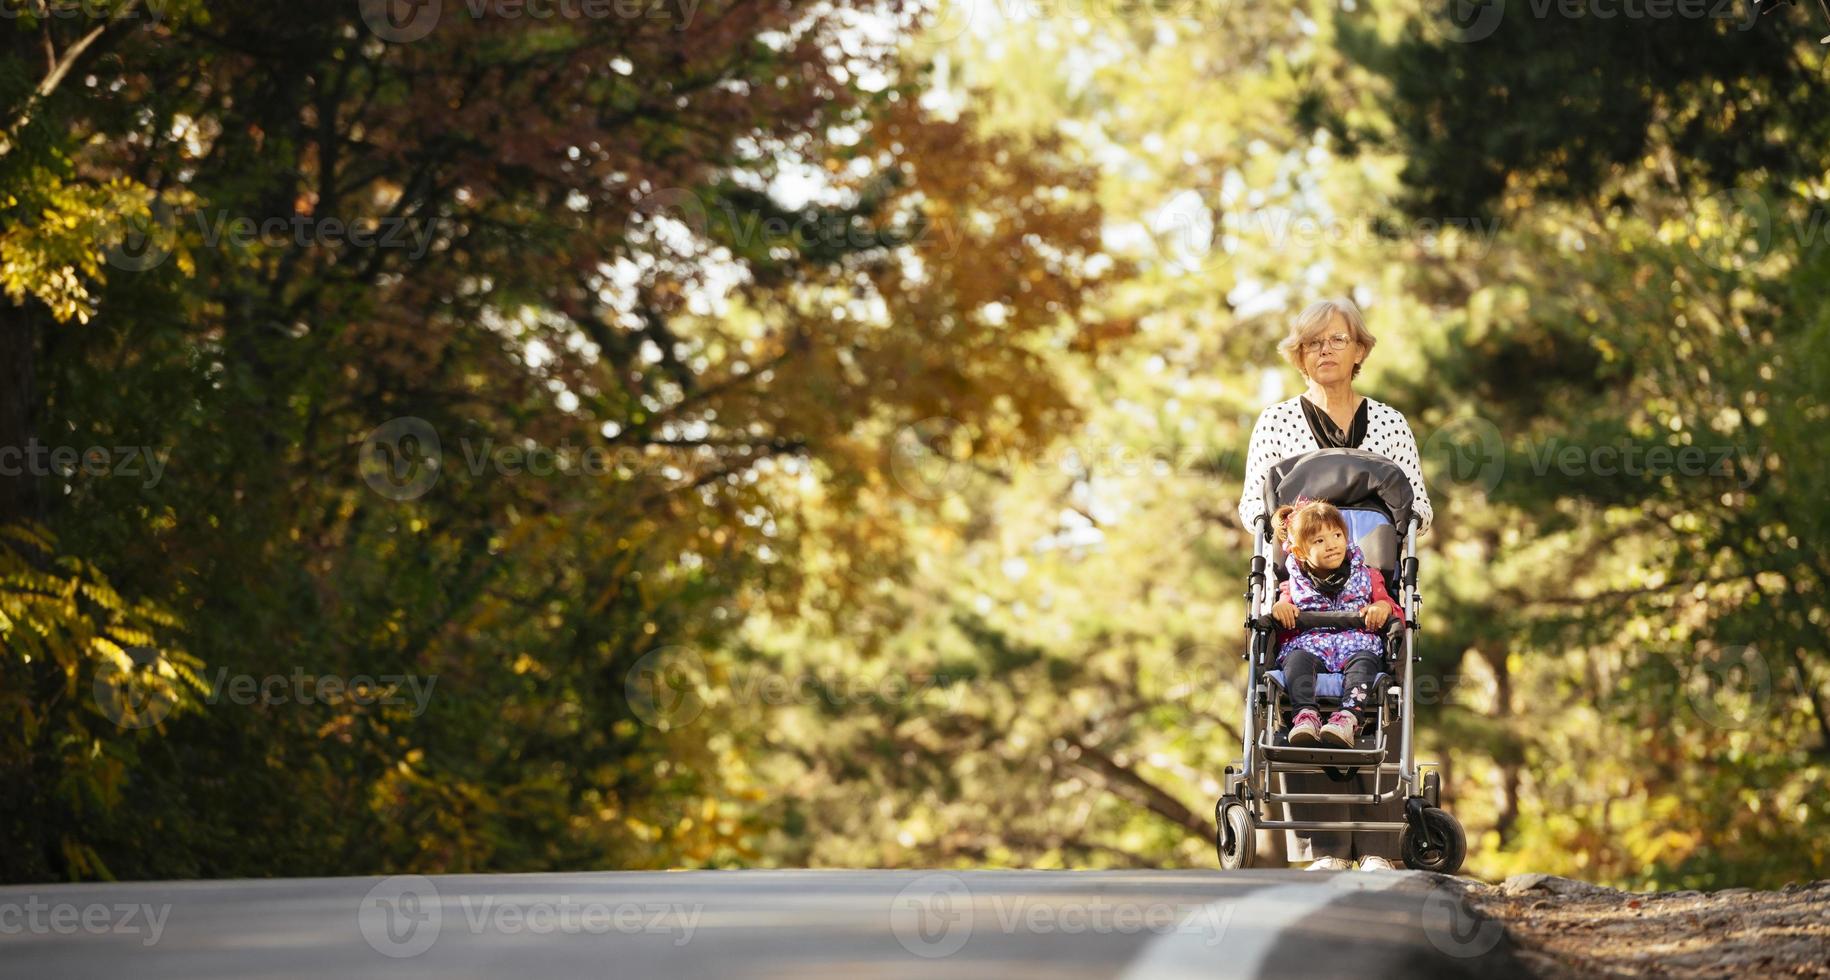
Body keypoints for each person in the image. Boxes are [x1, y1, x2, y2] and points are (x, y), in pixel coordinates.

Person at [1234, 296, 1433, 873]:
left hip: (1368, 589)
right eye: (1313, 342)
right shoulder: (1276, 424)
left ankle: (1379, 848)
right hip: (1299, 592)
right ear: (1299, 355)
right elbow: (1255, 510)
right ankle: (1321, 850)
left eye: (1337, 340)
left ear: (1360, 350)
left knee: (1379, 678)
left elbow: (1415, 508)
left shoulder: (1389, 424)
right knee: (1294, 687)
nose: (1325, 350)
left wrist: (1385, 591)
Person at [1269, 498, 1404, 750]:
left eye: (1337, 535)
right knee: (1296, 660)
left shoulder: (1368, 574)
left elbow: (1389, 604)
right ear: (1299, 552)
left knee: (1364, 662)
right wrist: (1281, 608)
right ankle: (1305, 716)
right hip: (1311, 645)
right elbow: (1283, 606)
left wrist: (1381, 607)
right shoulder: (1293, 585)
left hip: (1356, 644)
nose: (1331, 545)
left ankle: (1348, 718)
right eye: (1319, 541)